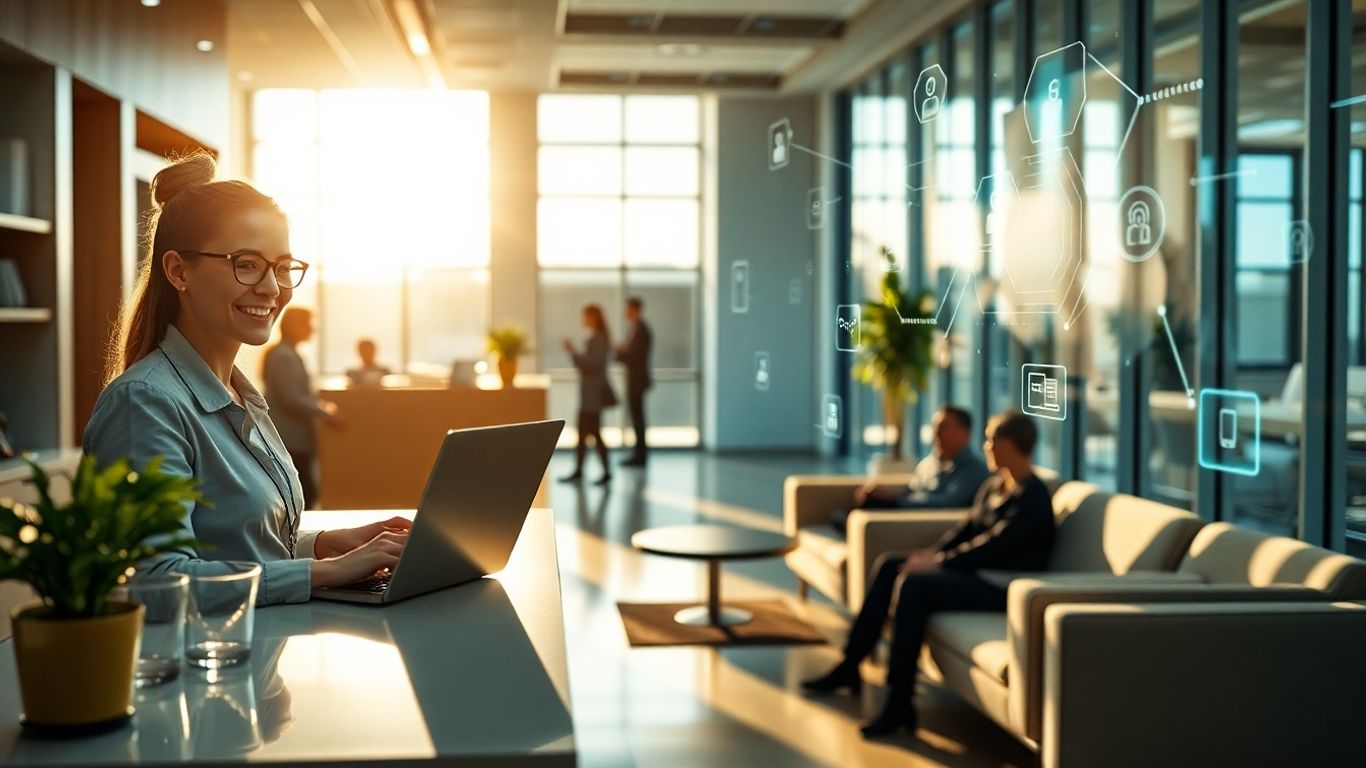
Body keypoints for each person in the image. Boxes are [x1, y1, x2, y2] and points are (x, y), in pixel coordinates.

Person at [83, 151, 410, 606]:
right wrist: (321, 573)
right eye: (247, 264)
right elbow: (154, 581)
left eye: (281, 268)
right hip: (202, 669)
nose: (273, 289)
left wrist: (321, 545)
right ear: (179, 271)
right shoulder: (145, 402)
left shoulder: (239, 397)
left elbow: (232, 545)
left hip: (258, 654)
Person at [802, 410, 1055, 739]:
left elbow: (995, 546)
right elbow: (967, 529)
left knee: (914, 586)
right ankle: (850, 664)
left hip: (1003, 588)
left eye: (991, 439)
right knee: (892, 565)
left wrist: (941, 563)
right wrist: (932, 553)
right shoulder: (996, 486)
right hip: (978, 574)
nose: (986, 446)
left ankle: (899, 702)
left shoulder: (1032, 496)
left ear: (1009, 444)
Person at [832, 405, 991, 534]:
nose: (936, 434)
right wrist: (887, 494)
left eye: (943, 427)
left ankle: (851, 528)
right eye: (935, 427)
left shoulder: (974, 470)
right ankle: (851, 528)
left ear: (964, 433)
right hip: (908, 509)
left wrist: (897, 502)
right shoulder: (928, 463)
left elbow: (949, 503)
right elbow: (911, 491)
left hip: (924, 521)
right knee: (871, 497)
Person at [263, 306, 342, 509]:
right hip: (290, 439)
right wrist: (325, 412)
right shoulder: (284, 356)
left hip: (295, 438)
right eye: (308, 324)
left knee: (306, 492)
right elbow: (291, 397)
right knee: (303, 494)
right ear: (293, 326)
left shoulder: (288, 354)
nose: (312, 329)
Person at [561, 304, 616, 485]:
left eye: (585, 316)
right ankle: (583, 470)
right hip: (590, 396)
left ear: (593, 318)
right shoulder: (597, 338)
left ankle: (599, 470)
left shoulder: (597, 339)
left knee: (591, 433)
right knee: (587, 433)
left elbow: (592, 365)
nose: (583, 320)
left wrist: (573, 353)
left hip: (592, 398)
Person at [615, 297, 653, 467]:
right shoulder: (637, 329)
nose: (626, 313)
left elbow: (632, 355)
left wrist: (619, 352)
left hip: (637, 382)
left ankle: (640, 456)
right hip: (635, 381)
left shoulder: (642, 330)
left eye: (628, 310)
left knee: (638, 419)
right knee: (637, 418)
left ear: (636, 310)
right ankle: (638, 454)